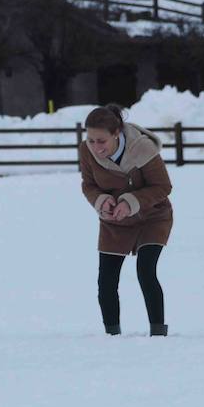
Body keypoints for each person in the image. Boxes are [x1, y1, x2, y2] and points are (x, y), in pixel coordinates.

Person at [78, 104, 172, 337]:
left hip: (152, 216)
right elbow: (88, 185)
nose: (96, 147)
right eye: (91, 140)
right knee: (106, 280)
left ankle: (158, 333)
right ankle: (112, 335)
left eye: (102, 141)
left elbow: (163, 186)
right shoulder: (86, 150)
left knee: (145, 271)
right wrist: (101, 201)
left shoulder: (142, 148)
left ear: (116, 134)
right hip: (114, 221)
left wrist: (130, 202)